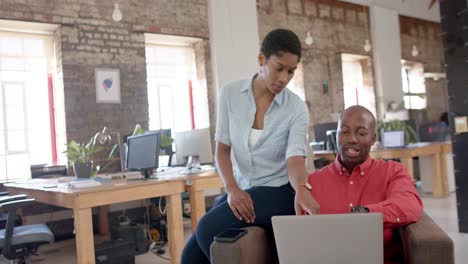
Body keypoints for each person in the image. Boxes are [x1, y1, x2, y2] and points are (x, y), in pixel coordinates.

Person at [181, 28, 319, 263]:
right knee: (190, 256)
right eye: (279, 68)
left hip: (279, 190)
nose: (284, 78)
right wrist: (232, 189)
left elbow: (296, 158)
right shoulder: (230, 94)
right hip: (243, 188)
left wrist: (302, 189)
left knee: (206, 228)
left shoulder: (296, 108)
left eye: (291, 71)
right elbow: (222, 151)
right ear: (261, 59)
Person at [307, 105, 423, 263]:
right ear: (337, 135)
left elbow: (409, 205)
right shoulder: (312, 182)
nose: (352, 139)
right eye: (345, 131)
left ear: (373, 139)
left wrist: (365, 214)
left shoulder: (392, 172)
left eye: (361, 133)